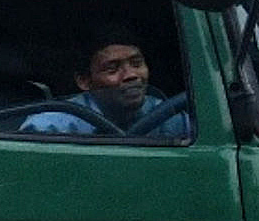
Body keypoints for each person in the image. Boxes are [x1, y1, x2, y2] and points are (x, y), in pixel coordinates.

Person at [22, 24, 193, 139]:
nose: (131, 75)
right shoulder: (50, 129)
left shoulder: (169, 117)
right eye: (113, 69)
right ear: (84, 81)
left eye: (136, 63)